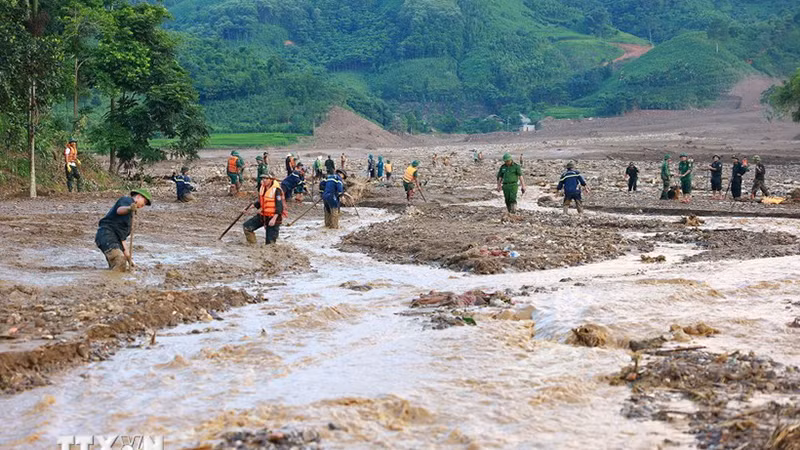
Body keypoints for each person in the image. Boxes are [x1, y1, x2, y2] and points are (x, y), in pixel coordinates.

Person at [95, 189, 152, 271]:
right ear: (138, 197)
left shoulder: (129, 217)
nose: (144, 205)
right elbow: (119, 210)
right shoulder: (127, 200)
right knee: (120, 261)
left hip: (113, 239)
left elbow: (122, 240)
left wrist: (129, 260)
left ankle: (110, 282)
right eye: (145, 201)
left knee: (119, 265)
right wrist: (129, 208)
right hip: (106, 234)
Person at [242, 176, 285, 245]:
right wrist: (248, 208)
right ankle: (252, 246)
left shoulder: (277, 190)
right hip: (263, 215)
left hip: (274, 218)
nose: (264, 180)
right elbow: (260, 202)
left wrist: (274, 219)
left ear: (271, 179)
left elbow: (279, 206)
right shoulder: (262, 188)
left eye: (266, 179)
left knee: (270, 243)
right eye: (263, 178)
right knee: (247, 227)